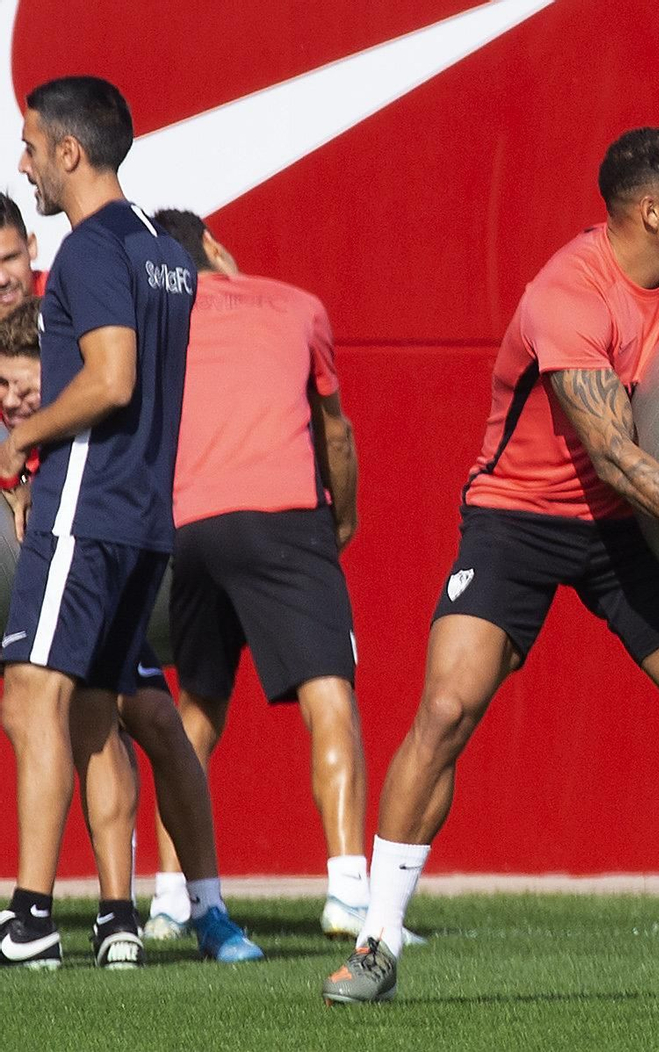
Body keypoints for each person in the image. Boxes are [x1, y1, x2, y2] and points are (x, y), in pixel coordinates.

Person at [321, 127, 659, 1007]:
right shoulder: (566, 294)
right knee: (447, 707)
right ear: (651, 211)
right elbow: (613, 455)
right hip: (519, 519)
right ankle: (375, 943)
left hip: (635, 533)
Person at [0, 75, 209, 970]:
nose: (25, 162)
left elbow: (111, 378)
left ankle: (30, 917)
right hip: (143, 518)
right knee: (95, 711)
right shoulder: (165, 251)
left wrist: (21, 437)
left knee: (28, 695)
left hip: (86, 508)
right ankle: (118, 918)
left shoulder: (89, 249)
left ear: (71, 153)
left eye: (32, 144)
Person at [134, 208, 379, 944]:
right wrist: (340, 521)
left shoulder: (153, 327)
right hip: (281, 515)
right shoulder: (296, 304)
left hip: (188, 527)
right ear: (211, 245)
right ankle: (348, 896)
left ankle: (172, 900)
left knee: (197, 711)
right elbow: (335, 429)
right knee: (329, 698)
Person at [0, 296, 261, 966]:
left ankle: (172, 912)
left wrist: (31, 477)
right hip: (50, 589)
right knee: (74, 714)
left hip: (86, 574)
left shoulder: (88, 430)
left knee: (132, 716)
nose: (12, 398)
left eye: (21, 383)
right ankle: (84, 917)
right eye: (1, 385)